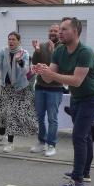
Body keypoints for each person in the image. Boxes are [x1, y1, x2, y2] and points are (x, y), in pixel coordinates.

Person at [33, 17, 94, 186]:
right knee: (85, 135)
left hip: (91, 98)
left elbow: (76, 80)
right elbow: (49, 79)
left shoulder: (85, 52)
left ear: (75, 32)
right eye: (60, 29)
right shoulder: (59, 51)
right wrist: (42, 71)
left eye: (64, 29)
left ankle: (77, 181)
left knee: (78, 136)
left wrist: (51, 74)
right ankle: (84, 172)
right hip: (76, 97)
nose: (60, 32)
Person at [0, 32, 38, 153]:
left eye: (13, 39)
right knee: (1, 112)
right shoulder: (3, 51)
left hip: (18, 88)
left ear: (19, 41)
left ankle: (10, 143)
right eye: (9, 39)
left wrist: (19, 61)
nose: (11, 41)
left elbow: (26, 71)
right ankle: (1, 137)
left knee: (11, 115)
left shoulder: (24, 53)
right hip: (4, 87)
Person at [30, 23, 62, 157]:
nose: (52, 33)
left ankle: (51, 145)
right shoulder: (42, 45)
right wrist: (37, 51)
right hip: (40, 86)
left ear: (59, 33)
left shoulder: (63, 47)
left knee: (52, 118)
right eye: (51, 31)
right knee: (39, 116)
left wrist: (54, 51)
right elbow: (35, 62)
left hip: (55, 88)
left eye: (55, 31)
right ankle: (41, 142)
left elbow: (62, 64)